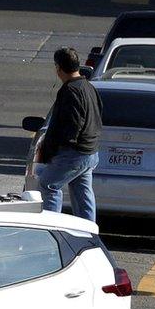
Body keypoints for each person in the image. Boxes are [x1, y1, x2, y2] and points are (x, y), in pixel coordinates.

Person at [39, 47, 103, 221]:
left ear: (59, 68)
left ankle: (51, 229)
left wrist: (58, 147)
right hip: (90, 151)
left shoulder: (71, 90)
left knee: (48, 185)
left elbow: (73, 124)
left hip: (73, 153)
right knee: (82, 193)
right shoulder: (88, 87)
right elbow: (97, 116)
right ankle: (88, 233)